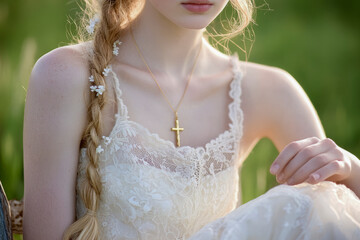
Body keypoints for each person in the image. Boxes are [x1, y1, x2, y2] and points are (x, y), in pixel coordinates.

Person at [22, 0, 360, 239]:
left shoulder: (270, 91)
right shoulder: (65, 76)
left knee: (316, 199)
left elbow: (331, 220)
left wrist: (351, 169)